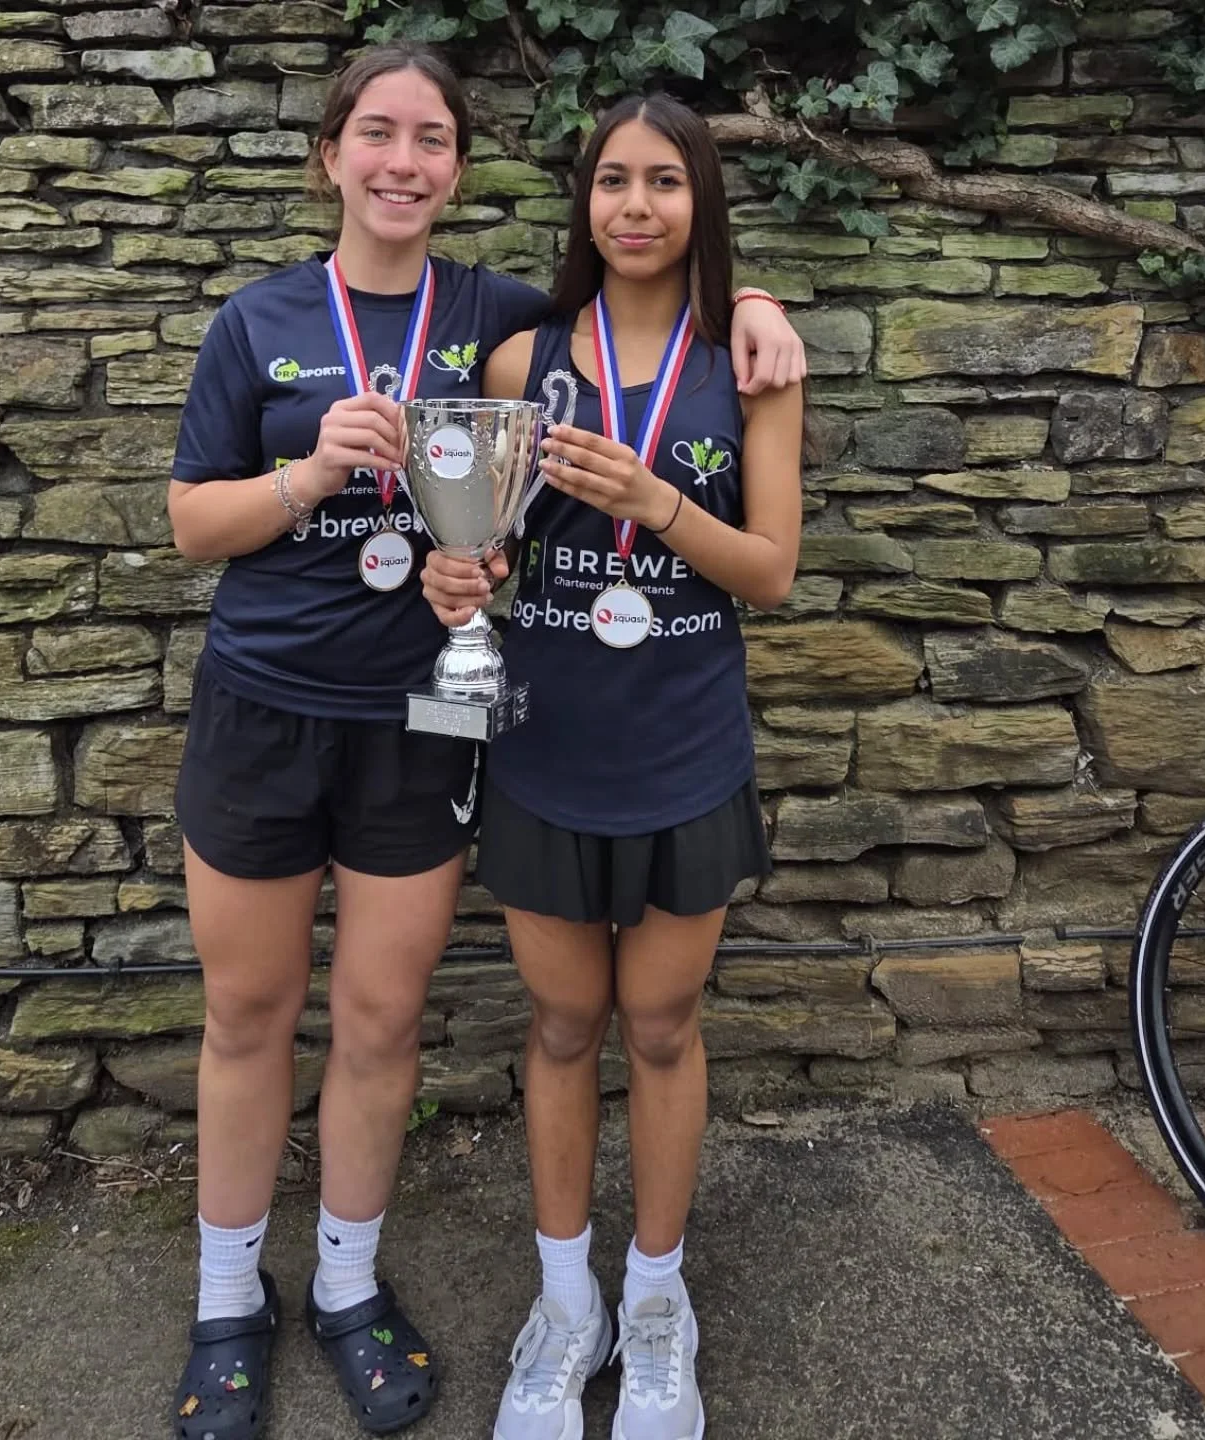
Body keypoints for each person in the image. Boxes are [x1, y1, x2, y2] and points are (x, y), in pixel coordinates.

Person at [165, 42, 806, 1440]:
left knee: (441, 1020)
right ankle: (248, 1300)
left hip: (462, 721)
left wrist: (753, 301)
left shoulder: (501, 320)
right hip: (316, 709)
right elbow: (199, 523)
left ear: (459, 167)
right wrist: (346, 493)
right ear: (332, 152)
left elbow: (665, 340)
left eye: (432, 139)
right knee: (271, 1016)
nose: (404, 162)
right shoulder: (309, 324)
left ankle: (476, 1298)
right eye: (377, 134)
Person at [421, 93, 804, 1440]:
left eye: (664, 182)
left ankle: (656, 1305)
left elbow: (770, 571)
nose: (635, 206)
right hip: (548, 747)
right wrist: (464, 569)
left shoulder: (749, 362)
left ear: (701, 199)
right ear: (583, 202)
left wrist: (658, 503)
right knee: (564, 1026)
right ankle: (564, 1299)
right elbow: (492, 541)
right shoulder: (528, 361)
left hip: (686, 752)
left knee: (660, 1028)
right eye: (611, 182)